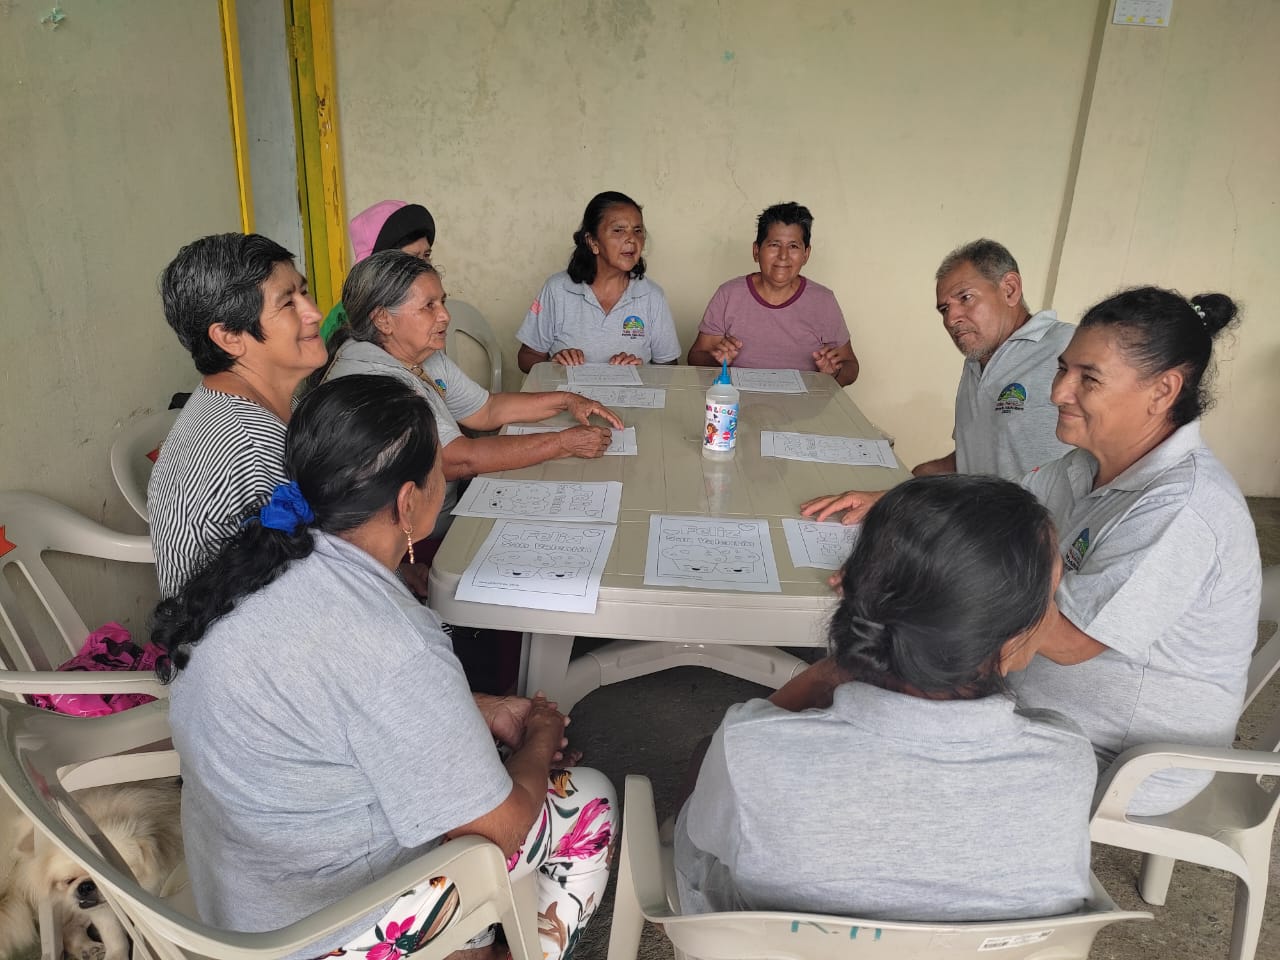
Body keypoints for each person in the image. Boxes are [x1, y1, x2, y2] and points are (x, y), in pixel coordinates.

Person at [152, 375, 616, 960]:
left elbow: (325, 695)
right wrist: (541, 738)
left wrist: (483, 709)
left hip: (238, 908)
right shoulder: (393, 638)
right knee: (589, 800)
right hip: (320, 933)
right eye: (439, 474)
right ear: (408, 502)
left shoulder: (247, 568)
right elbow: (498, 828)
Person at [675, 475, 1094, 922]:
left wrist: (836, 668)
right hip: (992, 951)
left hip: (762, 945)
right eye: (1049, 601)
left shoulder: (751, 747)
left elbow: (700, 837)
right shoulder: (1067, 759)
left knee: (707, 760)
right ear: (1008, 643)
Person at [1012, 287, 1261, 816]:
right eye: (1062, 369)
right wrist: (899, 509)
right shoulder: (1088, 463)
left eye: (1089, 378)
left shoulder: (1184, 508)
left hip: (1123, 759)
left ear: (1163, 390)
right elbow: (1002, 515)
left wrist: (927, 578)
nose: (1058, 392)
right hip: (1043, 710)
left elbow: (1069, 643)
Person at [322, 251, 624, 550]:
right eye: (429, 306)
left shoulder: (419, 354)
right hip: (410, 545)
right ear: (383, 319)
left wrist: (567, 400)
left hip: (442, 514)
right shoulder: (372, 380)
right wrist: (563, 443)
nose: (445, 315)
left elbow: (487, 410)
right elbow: (458, 460)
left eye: (442, 301)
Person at [799, 239, 1073, 524]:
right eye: (944, 309)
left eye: (965, 298)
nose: (951, 318)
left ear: (1010, 289)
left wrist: (906, 498)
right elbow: (974, 460)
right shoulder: (977, 362)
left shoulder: (1067, 349)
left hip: (1028, 536)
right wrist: (903, 487)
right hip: (980, 524)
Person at [148, 233, 326, 597]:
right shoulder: (251, 448)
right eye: (288, 303)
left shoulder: (256, 401)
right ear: (229, 337)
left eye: (304, 292)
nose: (314, 312)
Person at [686, 202, 858, 385]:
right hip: (737, 401)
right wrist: (715, 361)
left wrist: (835, 373)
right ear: (756, 251)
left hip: (805, 403)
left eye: (793, 246)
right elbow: (696, 356)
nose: (783, 256)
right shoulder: (729, 294)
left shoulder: (823, 301)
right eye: (774, 244)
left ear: (806, 254)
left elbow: (851, 367)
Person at [516, 191, 681, 371]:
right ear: (593, 242)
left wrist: (642, 370)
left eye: (638, 230)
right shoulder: (557, 290)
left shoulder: (652, 296)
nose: (632, 239)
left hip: (631, 391)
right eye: (618, 230)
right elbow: (527, 357)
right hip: (567, 390)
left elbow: (669, 367)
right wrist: (553, 364)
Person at [320, 200, 436, 342]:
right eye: (412, 258)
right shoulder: (345, 321)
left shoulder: (425, 304)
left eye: (426, 255)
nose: (424, 267)